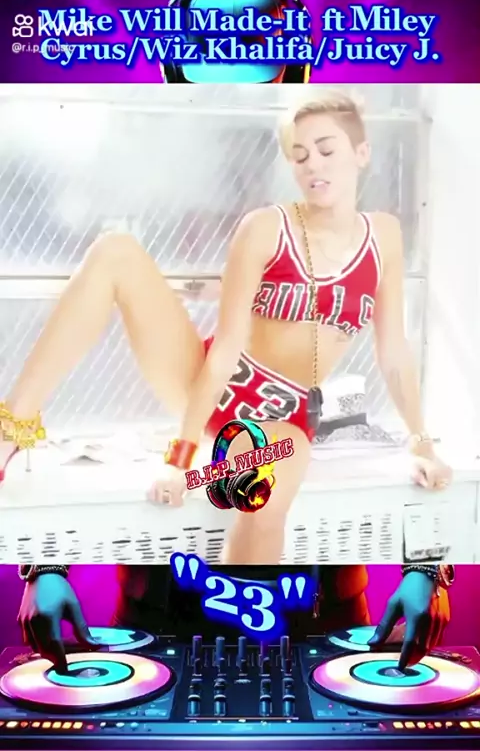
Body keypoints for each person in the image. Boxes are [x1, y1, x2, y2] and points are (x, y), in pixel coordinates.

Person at [0, 91, 452, 564]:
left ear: (361, 153)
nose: (312, 165)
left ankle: (241, 610)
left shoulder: (384, 237)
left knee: (265, 503)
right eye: (299, 156)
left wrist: (421, 442)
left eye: (326, 150)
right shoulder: (266, 228)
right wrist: (180, 457)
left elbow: (393, 352)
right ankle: (11, 427)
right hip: (206, 383)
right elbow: (225, 349)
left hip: (278, 420)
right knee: (116, 252)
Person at [16, 562, 453, 676]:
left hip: (323, 620)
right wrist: (45, 564)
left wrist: (429, 563)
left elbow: (418, 435)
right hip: (157, 618)